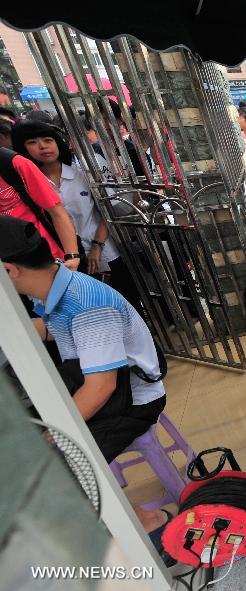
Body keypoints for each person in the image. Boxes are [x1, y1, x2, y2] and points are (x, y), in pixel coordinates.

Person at [0, 215, 172, 546]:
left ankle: (149, 523)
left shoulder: (86, 305)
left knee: (52, 467)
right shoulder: (53, 289)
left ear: (9, 271)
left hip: (133, 402)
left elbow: (101, 388)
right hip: (101, 388)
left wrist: (52, 435)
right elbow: (56, 330)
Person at [12, 121, 140, 309]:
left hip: (105, 252)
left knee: (125, 303)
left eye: (48, 140)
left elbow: (106, 210)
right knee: (90, 308)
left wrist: (97, 245)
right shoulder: (26, 187)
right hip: (66, 263)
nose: (43, 146)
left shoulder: (83, 175)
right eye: (32, 142)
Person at [0, 141, 80, 269]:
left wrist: (72, 256)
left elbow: (56, 211)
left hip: (45, 260)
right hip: (8, 271)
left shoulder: (13, 163)